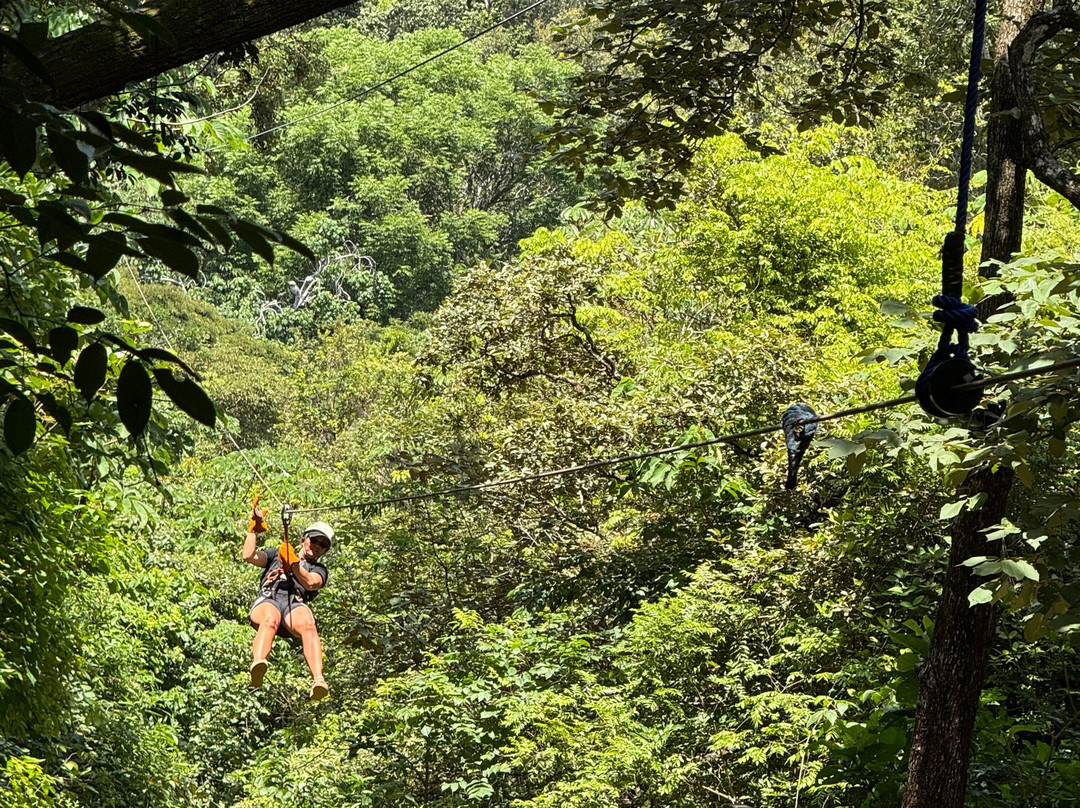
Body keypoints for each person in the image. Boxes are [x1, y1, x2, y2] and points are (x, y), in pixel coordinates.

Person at [243, 496, 333, 701]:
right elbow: (249, 556)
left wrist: (293, 565)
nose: (317, 546)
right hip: (270, 598)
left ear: (324, 551)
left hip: (294, 604)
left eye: (323, 545)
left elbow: (310, 582)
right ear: (304, 539)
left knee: (309, 625)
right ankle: (259, 663)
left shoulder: (319, 569)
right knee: (269, 619)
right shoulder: (277, 554)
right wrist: (253, 531)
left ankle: (318, 679)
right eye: (314, 540)